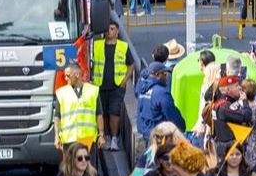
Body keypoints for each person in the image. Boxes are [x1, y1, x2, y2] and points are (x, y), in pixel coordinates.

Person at [92, 21, 135, 151]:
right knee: (103, 113)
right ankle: (106, 137)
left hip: (117, 86)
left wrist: (124, 81)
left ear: (117, 31)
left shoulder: (123, 46)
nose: (109, 31)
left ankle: (115, 139)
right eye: (107, 29)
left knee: (114, 112)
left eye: (112, 29)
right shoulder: (97, 45)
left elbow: (131, 65)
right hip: (100, 85)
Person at [54, 63, 105, 154]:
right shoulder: (61, 93)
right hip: (69, 140)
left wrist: (101, 135)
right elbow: (57, 117)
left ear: (77, 74)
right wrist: (57, 136)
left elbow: (99, 115)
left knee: (87, 163)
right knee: (71, 164)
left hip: (88, 140)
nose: (65, 78)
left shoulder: (93, 91)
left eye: (68, 75)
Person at [136, 63, 186, 143]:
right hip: (160, 138)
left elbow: (139, 114)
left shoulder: (143, 90)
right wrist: (182, 127)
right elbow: (172, 114)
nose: (166, 77)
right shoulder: (161, 92)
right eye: (164, 74)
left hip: (147, 136)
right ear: (157, 74)